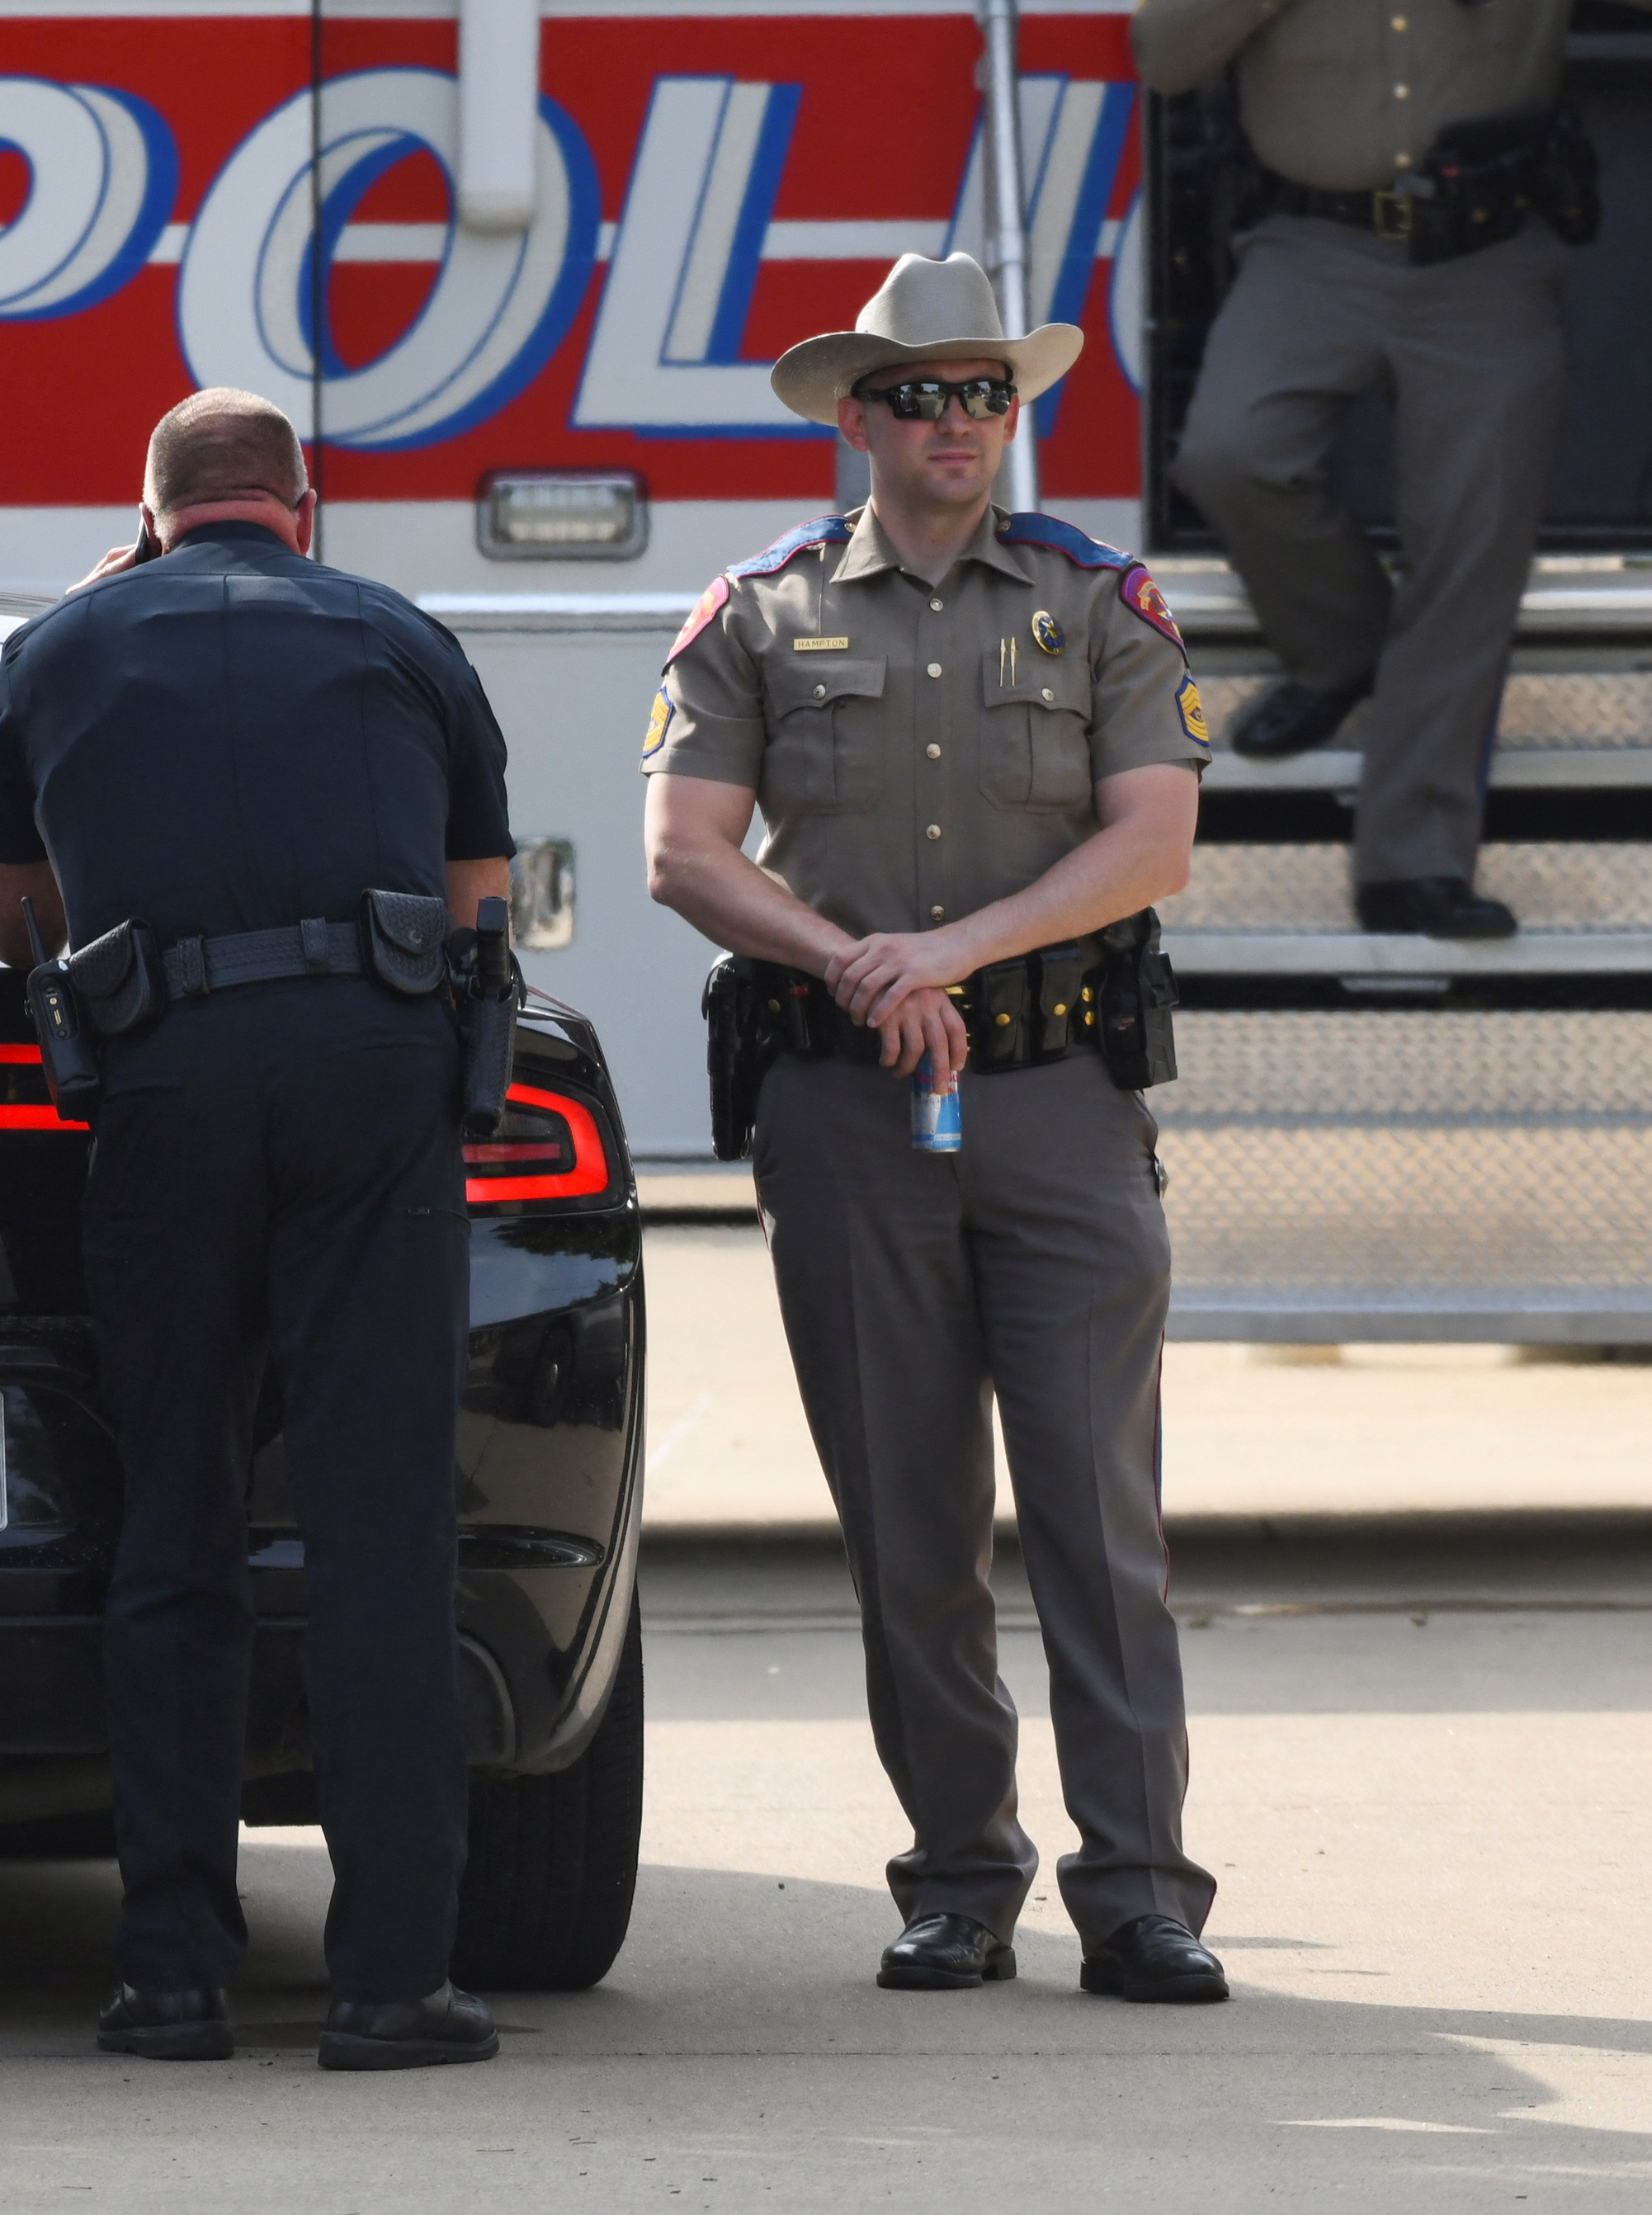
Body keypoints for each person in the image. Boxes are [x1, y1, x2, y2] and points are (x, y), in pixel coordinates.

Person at [640, 254, 1229, 2005]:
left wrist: (951, 950)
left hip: (1056, 1103)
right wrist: (851, 963)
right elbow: (682, 851)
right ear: (857, 416)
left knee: (1096, 1521)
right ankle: (959, 1880)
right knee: (908, 1523)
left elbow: (1152, 841)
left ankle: (1139, 1893)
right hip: (843, 1110)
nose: (956, 420)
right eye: (918, 394)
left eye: (984, 391)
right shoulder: (754, 613)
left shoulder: (1098, 599)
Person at [0, 388, 517, 2074]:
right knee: (378, 1532)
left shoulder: (55, 648)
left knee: (175, 1524)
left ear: (146, 512)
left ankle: (172, 1976)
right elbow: (476, 901)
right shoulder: (402, 636)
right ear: (300, 503)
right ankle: (390, 1981)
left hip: (164, 1088)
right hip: (370, 1088)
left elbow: (8, 908)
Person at [1134, 0, 1652, 937]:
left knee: (1472, 549)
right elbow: (1162, 54)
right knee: (1229, 455)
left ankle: (1411, 865)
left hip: (1485, 262)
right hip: (1310, 249)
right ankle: (1346, 653)